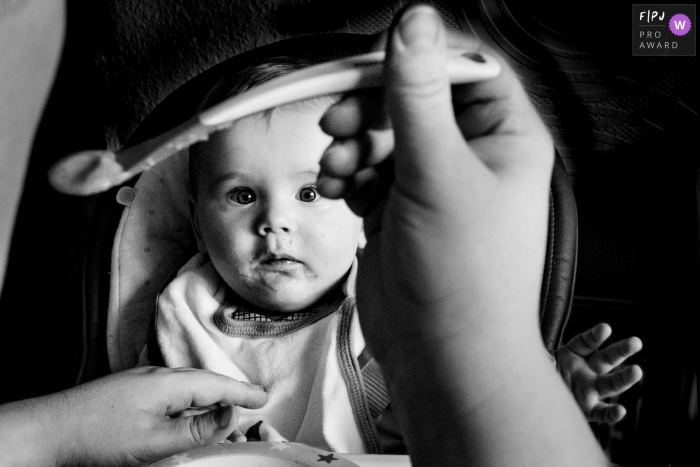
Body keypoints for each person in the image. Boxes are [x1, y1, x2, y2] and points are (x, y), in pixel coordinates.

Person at [0, 2, 625, 466]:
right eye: (242, 195)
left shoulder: (385, 314)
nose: (275, 222)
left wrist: (539, 391)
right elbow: (145, 432)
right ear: (195, 216)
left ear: (365, 205)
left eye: (310, 192)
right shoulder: (182, 306)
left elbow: (439, 432)